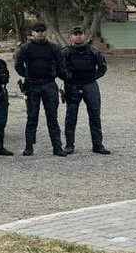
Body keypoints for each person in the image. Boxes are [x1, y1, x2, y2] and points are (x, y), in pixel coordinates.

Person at [14, 22, 67, 157]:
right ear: (32, 33)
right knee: (32, 117)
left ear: (45, 32)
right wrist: (28, 75)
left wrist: (54, 74)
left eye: (42, 31)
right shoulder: (26, 48)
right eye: (37, 31)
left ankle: (57, 147)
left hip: (49, 85)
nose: (40, 33)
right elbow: (18, 65)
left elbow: (61, 64)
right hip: (32, 85)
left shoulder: (53, 48)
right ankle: (28, 147)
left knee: (52, 117)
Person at [61, 26, 111, 155]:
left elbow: (102, 67)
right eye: (75, 34)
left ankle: (98, 145)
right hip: (72, 86)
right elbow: (58, 68)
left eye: (80, 34)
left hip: (90, 85)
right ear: (71, 37)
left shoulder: (93, 51)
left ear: (85, 36)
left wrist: (92, 77)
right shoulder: (65, 52)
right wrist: (68, 78)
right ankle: (69, 145)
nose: (78, 36)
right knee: (71, 117)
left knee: (95, 115)